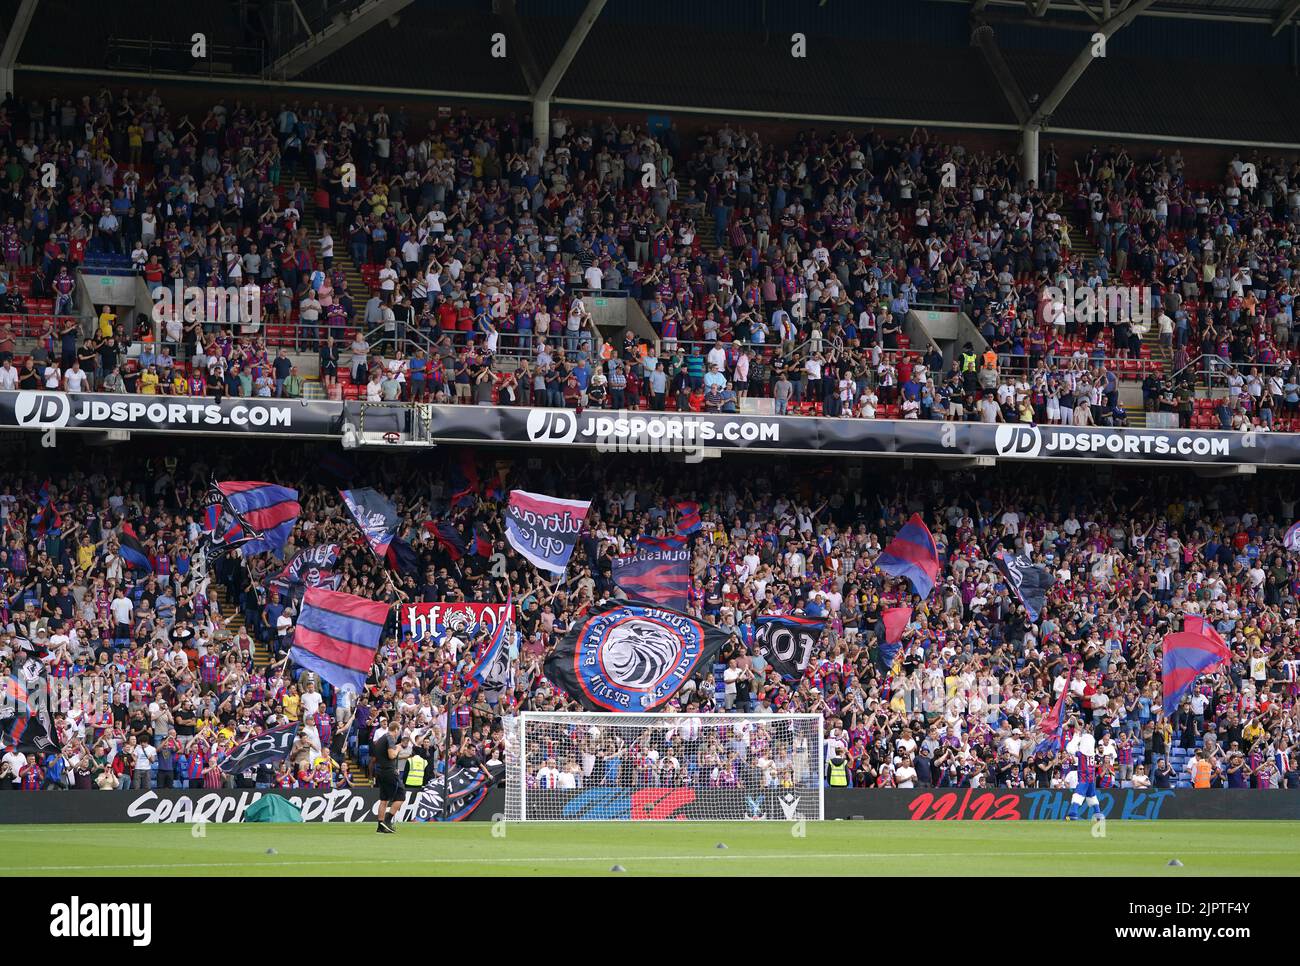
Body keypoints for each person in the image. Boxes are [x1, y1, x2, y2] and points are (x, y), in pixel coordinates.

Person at [372, 720, 411, 833]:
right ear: (396, 730)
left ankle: (380, 826)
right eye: (399, 731)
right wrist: (398, 748)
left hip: (381, 771)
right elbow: (392, 755)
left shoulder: (381, 739)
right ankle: (387, 821)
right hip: (389, 772)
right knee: (401, 796)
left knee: (383, 800)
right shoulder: (389, 738)